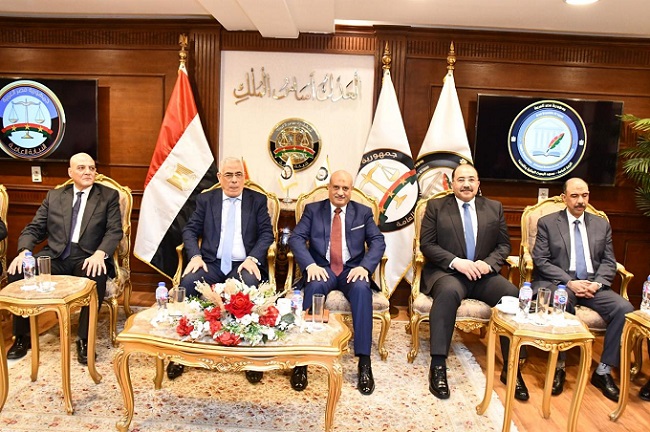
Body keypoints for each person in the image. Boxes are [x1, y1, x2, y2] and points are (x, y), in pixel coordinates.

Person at [420, 162, 529, 401]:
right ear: (452, 184)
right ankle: (438, 365)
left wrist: (488, 264)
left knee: (512, 295)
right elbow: (427, 245)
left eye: (471, 179)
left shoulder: (494, 207)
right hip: (449, 273)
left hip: (483, 274)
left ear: (478, 184)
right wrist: (456, 262)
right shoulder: (436, 207)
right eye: (461, 180)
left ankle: (512, 368)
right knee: (447, 294)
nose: (466, 184)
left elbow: (503, 245)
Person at [6, 152, 123, 365]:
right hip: (56, 255)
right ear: (70, 172)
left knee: (96, 275)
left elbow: (114, 230)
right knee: (18, 271)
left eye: (91, 168)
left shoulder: (108, 196)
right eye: (81, 168)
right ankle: (22, 337)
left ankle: (84, 340)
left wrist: (100, 254)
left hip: (88, 257)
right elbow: (34, 228)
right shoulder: (55, 196)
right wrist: (24, 252)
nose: (88, 172)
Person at [168, 156, 274, 381]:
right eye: (229, 175)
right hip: (211, 263)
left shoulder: (257, 200)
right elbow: (189, 230)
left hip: (243, 263)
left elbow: (267, 234)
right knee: (188, 283)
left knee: (250, 287)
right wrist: (195, 256)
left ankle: (251, 356)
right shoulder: (206, 200)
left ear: (244, 177)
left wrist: (253, 258)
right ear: (219, 177)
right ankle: (179, 352)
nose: (234, 180)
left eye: (238, 175)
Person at [532, 177, 634, 402]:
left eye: (585, 195)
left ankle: (603, 371)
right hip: (562, 283)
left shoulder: (601, 224)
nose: (580, 201)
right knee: (561, 299)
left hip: (593, 285)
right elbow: (541, 260)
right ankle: (559, 366)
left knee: (624, 309)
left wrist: (597, 283)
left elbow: (609, 261)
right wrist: (570, 282)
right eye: (575, 196)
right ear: (564, 198)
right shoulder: (548, 223)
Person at [288, 170, 385, 395]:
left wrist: (365, 267)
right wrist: (310, 265)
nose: (340, 192)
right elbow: (296, 238)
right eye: (336, 187)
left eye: (345, 188)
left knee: (362, 290)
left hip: (352, 270)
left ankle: (364, 362)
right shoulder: (313, 210)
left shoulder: (363, 212)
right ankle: (302, 360)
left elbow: (378, 241)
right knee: (314, 286)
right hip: (323, 268)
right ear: (328, 188)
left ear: (351, 190)